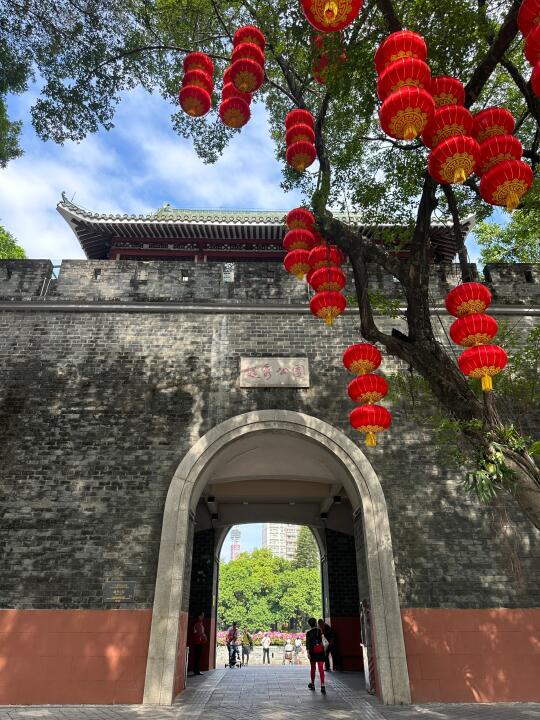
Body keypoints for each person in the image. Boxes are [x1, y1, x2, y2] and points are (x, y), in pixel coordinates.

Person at [306, 617, 326, 694]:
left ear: (310, 624)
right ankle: (322, 685)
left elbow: (307, 644)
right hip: (320, 651)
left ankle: (313, 684)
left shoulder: (308, 633)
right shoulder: (319, 631)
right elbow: (322, 642)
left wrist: (308, 653)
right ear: (315, 623)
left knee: (313, 668)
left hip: (312, 652)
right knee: (321, 669)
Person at [192, 611, 207, 676]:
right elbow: (200, 633)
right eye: (202, 615)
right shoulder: (198, 624)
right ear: (199, 616)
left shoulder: (200, 623)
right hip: (198, 642)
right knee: (197, 657)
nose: (203, 617)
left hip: (199, 642)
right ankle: (196, 670)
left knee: (198, 656)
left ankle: (196, 670)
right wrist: (204, 637)